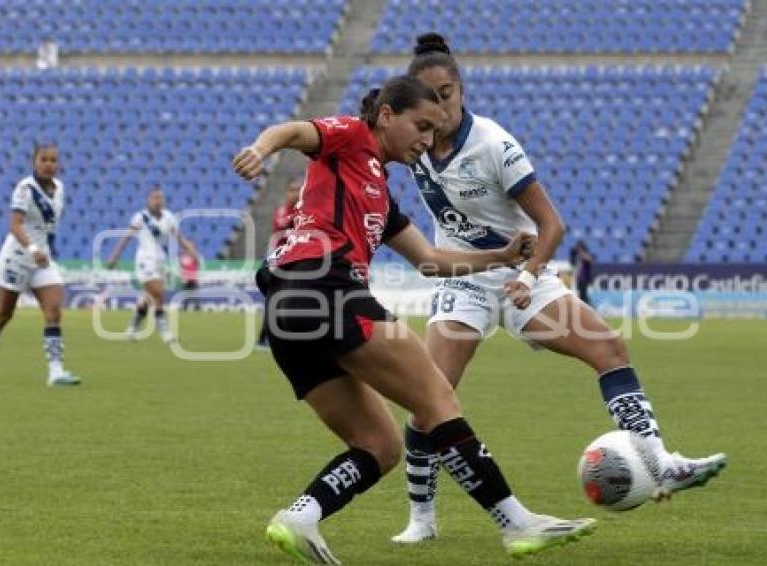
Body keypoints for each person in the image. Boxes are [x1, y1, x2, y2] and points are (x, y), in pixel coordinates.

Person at [232, 75, 595, 564]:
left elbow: (429, 259)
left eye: (434, 131)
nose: (427, 141)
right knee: (436, 398)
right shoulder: (349, 136)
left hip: (286, 310)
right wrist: (260, 149)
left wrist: (502, 255)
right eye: (421, 126)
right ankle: (516, 523)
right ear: (386, 116)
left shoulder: (381, 193)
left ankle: (301, 515)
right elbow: (295, 132)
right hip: (324, 284)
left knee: (378, 446)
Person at [391, 33, 726, 544]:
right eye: (429, 97)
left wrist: (527, 277)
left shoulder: (493, 145)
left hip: (523, 277)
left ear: (461, 89)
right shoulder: (410, 142)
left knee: (609, 347)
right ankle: (422, 517)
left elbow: (552, 225)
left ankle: (659, 464)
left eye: (447, 93)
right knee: (428, 397)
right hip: (465, 282)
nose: (440, 107)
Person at [0, 142, 81, 386]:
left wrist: (44, 250)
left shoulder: (59, 188)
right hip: (17, 258)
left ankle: (55, 372)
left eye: (53, 160)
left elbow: (48, 227)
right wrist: (32, 248)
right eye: (44, 159)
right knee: (3, 315)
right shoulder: (25, 189)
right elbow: (15, 225)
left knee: (53, 311)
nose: (49, 164)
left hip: (42, 259)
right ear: (34, 162)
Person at [106, 187, 198, 343]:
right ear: (148, 200)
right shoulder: (141, 217)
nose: (158, 201)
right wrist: (114, 257)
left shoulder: (169, 217)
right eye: (154, 198)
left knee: (147, 298)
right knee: (158, 294)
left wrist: (191, 252)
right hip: (145, 261)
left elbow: (179, 238)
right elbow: (126, 237)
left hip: (161, 261)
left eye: (160, 198)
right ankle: (165, 332)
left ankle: (132, 328)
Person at [257, 177, 303, 348]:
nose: (295, 194)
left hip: (295, 260)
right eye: (292, 190)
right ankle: (263, 338)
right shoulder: (282, 211)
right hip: (279, 261)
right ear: (286, 192)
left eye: (299, 190)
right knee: (274, 299)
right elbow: (283, 227)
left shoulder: (304, 211)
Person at [570, 239, 594, 306]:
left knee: (584, 296)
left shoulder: (585, 256)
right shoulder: (577, 257)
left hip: (584, 279)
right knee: (581, 295)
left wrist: (581, 253)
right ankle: (586, 307)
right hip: (579, 279)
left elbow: (589, 260)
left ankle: (589, 307)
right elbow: (573, 263)